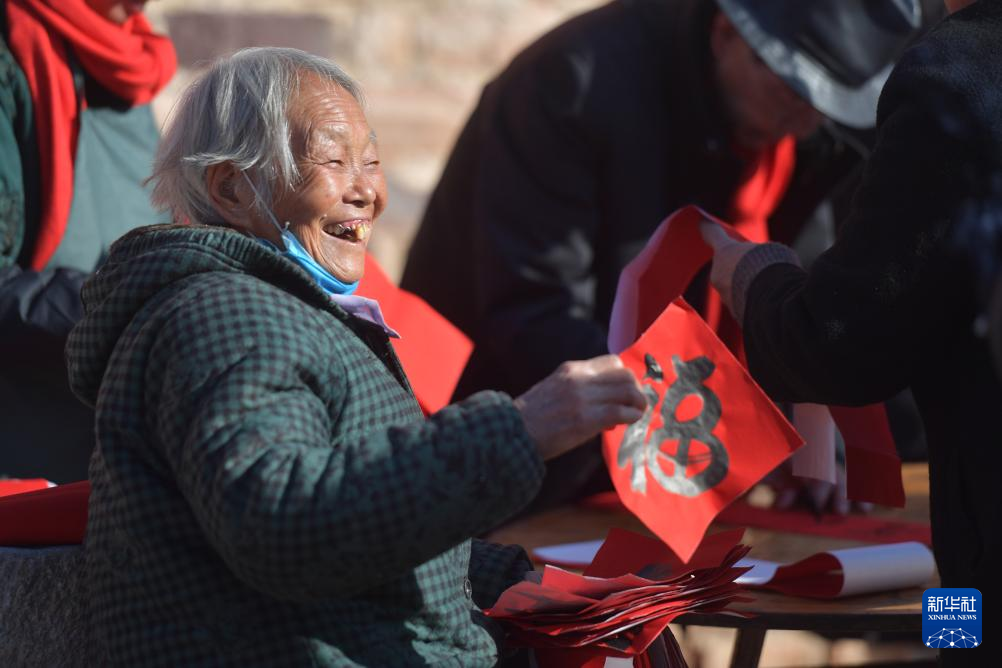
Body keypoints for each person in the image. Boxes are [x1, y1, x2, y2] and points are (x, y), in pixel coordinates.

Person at [64, 47, 647, 665]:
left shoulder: (274, 309)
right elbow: (284, 528)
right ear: (232, 188)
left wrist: (512, 579)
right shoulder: (225, 316)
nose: (368, 191)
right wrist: (521, 429)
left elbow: (351, 516)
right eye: (335, 161)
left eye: (371, 161)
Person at [400, 0, 923, 509]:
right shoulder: (571, 84)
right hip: (508, 458)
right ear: (725, 33)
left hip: (671, 458)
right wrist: (731, 438)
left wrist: (809, 443)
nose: (807, 118)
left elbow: (802, 287)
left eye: (831, 101)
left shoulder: (806, 128)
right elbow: (534, 313)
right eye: (794, 87)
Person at [701, 1, 1000, 663]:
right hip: (933, 509)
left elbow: (843, 338)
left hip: (978, 529)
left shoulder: (959, 72)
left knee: (963, 629)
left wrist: (754, 279)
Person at [0, 0, 175, 482]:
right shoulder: (11, 58)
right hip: (26, 461)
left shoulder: (130, 63)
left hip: (129, 452)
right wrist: (119, 305)